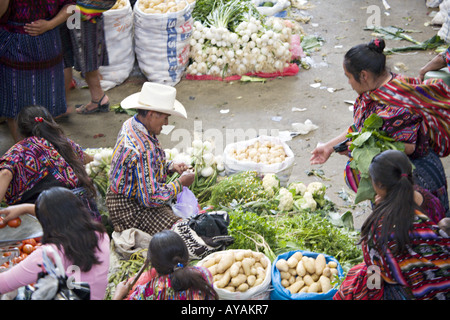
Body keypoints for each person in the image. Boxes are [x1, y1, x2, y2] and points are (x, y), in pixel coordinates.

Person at [310, 38, 449, 216]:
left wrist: (360, 147)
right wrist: (328, 147)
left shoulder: (393, 107)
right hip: (393, 174)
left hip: (413, 178)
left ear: (364, 76)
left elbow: (409, 146)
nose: (348, 83)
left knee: (412, 232)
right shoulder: (387, 87)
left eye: (349, 77)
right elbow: (362, 129)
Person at [333, 150, 450, 300]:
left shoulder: (378, 228)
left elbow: (373, 277)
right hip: (441, 287)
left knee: (358, 278)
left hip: (409, 294)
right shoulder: (431, 202)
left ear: (379, 185)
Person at [106, 82, 195, 236]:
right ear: (152, 114)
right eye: (165, 118)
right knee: (182, 231)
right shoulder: (142, 149)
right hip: (130, 209)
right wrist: (180, 184)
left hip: (130, 196)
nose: (166, 123)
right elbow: (150, 198)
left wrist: (170, 167)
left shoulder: (132, 124)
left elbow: (143, 169)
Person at [0, 187, 110, 300]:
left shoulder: (49, 254)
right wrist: (26, 209)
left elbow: (4, 284)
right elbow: (63, 215)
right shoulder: (101, 236)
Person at [0, 105, 100, 221]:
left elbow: (5, 173)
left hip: (46, 219)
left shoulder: (18, 151)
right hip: (85, 217)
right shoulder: (63, 143)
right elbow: (88, 159)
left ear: (20, 129)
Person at [0, 0, 75, 141]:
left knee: (45, 103)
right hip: (15, 46)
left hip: (46, 44)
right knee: (16, 105)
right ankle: (24, 151)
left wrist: (49, 24)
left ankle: (42, 151)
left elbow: (71, 5)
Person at [112, 230, 217, 300]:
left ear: (153, 264)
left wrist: (118, 295)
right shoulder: (203, 274)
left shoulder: (149, 290)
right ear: (185, 254)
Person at [60, 0, 116, 115]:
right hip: (81, 11)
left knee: (83, 54)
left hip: (82, 12)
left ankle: (97, 98)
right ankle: (97, 97)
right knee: (81, 54)